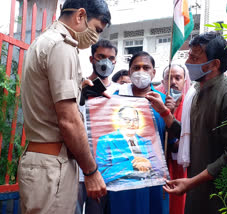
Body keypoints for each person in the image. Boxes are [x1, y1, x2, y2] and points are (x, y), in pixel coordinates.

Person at [18, 0, 110, 213]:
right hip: (52, 166)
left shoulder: (43, 41)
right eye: (96, 29)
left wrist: (80, 90)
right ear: (80, 15)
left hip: (43, 162)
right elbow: (68, 121)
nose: (95, 37)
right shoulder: (62, 45)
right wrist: (91, 172)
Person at [145, 31, 227, 214]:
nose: (188, 63)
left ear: (214, 64)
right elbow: (190, 134)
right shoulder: (196, 92)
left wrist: (191, 182)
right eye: (189, 56)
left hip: (222, 197)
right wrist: (164, 112)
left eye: (194, 58)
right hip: (197, 191)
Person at [107, 51, 169, 214]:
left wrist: (168, 114)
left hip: (154, 179)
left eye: (146, 67)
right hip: (122, 179)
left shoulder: (164, 102)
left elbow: (172, 142)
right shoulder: (114, 101)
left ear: (153, 72)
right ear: (129, 72)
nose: (141, 71)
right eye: (136, 68)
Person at [76, 39, 118, 214]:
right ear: (92, 58)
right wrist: (80, 93)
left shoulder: (121, 92)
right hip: (77, 169)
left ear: (115, 62)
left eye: (110, 58)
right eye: (101, 56)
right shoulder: (76, 87)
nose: (105, 62)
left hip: (106, 171)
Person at [96, 106, 161, 184]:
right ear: (119, 121)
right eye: (127, 120)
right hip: (121, 191)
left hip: (146, 189)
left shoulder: (145, 142)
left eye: (135, 120)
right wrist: (131, 165)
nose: (132, 124)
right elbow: (101, 175)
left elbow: (160, 169)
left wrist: (149, 164)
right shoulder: (106, 140)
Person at [161, 64, 189, 214]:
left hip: (183, 169)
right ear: (163, 81)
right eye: (169, 78)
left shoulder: (192, 103)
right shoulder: (156, 102)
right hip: (162, 165)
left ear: (184, 81)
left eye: (178, 78)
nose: (173, 82)